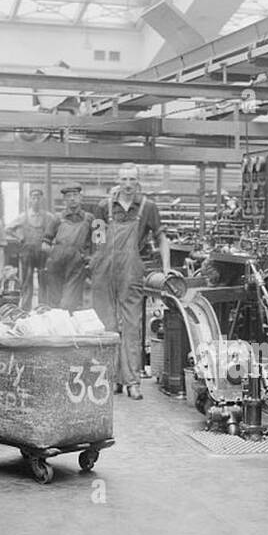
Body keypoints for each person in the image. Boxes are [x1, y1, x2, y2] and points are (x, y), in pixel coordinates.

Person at [91, 163, 164, 400]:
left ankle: (132, 381)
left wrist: (168, 268)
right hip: (105, 272)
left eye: (133, 179)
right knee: (108, 325)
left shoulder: (147, 207)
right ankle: (113, 379)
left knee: (132, 326)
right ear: (118, 180)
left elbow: (162, 237)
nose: (129, 184)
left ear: (138, 181)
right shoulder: (103, 207)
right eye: (124, 179)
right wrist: (96, 264)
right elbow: (97, 239)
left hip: (131, 272)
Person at [4, 187, 59, 311]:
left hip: (42, 253)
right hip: (27, 253)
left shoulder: (49, 217)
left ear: (42, 200)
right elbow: (7, 228)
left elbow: (57, 230)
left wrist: (51, 243)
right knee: (27, 281)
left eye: (38, 198)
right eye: (33, 197)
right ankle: (25, 309)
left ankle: (43, 308)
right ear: (29, 200)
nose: (36, 200)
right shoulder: (23, 216)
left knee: (43, 280)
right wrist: (19, 236)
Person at [42, 183, 92, 311]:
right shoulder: (57, 219)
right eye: (68, 196)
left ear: (81, 197)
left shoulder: (90, 218)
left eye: (75, 195)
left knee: (70, 303)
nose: (72, 198)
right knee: (54, 302)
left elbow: (100, 241)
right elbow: (45, 244)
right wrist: (55, 254)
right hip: (56, 263)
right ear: (64, 200)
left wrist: (89, 257)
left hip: (77, 264)